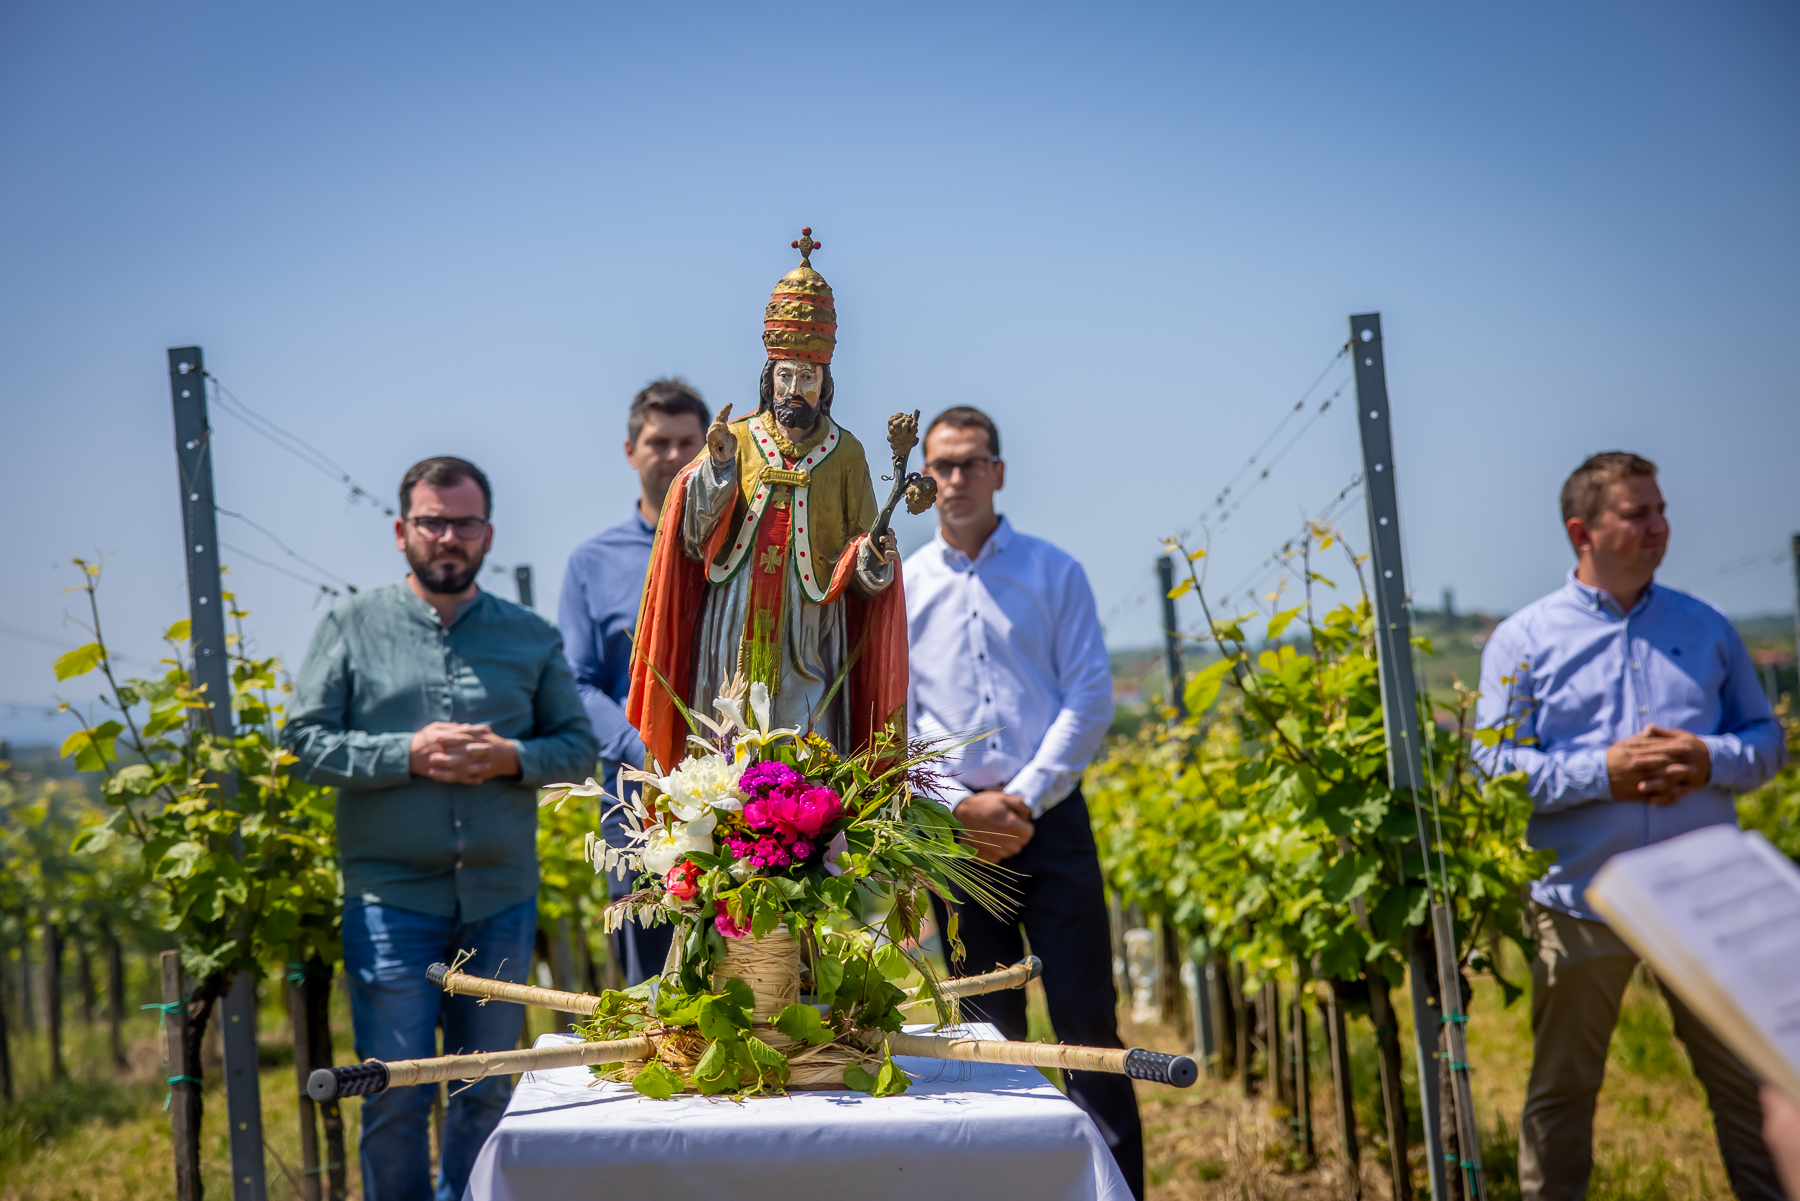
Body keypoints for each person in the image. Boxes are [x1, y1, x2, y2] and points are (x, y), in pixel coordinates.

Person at [1474, 451, 1786, 1201]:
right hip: (1582, 900)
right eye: (1637, 513)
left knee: (1752, 1088)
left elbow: (1766, 742)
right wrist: (1601, 772)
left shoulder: (1707, 627)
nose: (1660, 526)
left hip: (1705, 903)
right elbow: (1493, 765)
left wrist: (1708, 758)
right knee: (1563, 1092)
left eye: (1661, 510)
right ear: (1582, 531)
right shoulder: (1523, 640)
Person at [284, 456, 599, 1201]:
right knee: (394, 1091)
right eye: (432, 522)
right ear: (402, 531)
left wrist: (510, 757)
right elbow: (302, 743)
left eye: (464, 523)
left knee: (485, 1088)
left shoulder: (530, 636)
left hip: (500, 897)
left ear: (488, 534)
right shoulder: (351, 626)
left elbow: (578, 748)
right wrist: (407, 753)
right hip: (389, 899)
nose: (448, 537)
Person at [904, 405, 1143, 1199]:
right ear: (924, 476)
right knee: (988, 1038)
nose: (956, 478)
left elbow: (1090, 697)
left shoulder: (1055, 571)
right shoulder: (902, 587)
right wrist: (958, 806)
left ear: (999, 471)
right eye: (942, 465)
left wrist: (1021, 798)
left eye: (972, 462)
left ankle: (1117, 1189)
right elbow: (895, 717)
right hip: (956, 837)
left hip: (1053, 821)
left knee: (1088, 1027)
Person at [628, 228, 907, 775]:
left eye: (808, 376)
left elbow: (864, 555)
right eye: (786, 375)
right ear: (768, 379)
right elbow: (691, 539)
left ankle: (807, 814)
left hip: (811, 623)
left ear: (825, 383)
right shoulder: (734, 439)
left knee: (807, 745)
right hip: (733, 613)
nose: (795, 388)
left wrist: (873, 560)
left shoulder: (846, 452)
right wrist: (718, 469)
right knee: (725, 733)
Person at [558, 378, 708, 983]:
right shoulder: (591, 563)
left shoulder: (745, 550)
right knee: (652, 984)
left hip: (746, 797)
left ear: (710, 449)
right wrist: (644, 747)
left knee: (759, 969)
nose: (673, 455)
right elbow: (575, 683)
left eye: (687, 443)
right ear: (630, 451)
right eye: (657, 442)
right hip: (637, 801)